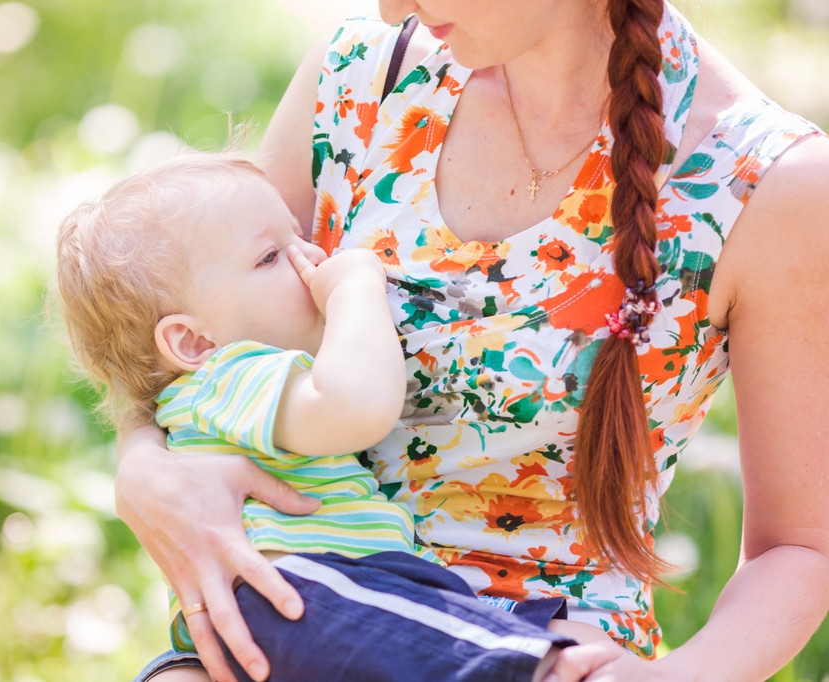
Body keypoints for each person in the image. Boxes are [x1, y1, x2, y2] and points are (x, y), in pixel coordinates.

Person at [115, 1, 829, 681]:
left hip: (534, 644)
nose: (391, 8)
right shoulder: (359, 76)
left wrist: (679, 676)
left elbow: (800, 547)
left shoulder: (763, 181)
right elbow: (190, 333)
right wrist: (143, 466)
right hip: (305, 612)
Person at [54, 155, 577, 681]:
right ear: (193, 341)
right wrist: (355, 289)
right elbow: (355, 407)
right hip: (301, 589)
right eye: (270, 257)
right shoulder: (228, 376)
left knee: (528, 634)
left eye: (299, 236)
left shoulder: (205, 398)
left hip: (335, 597)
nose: (313, 255)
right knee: (506, 660)